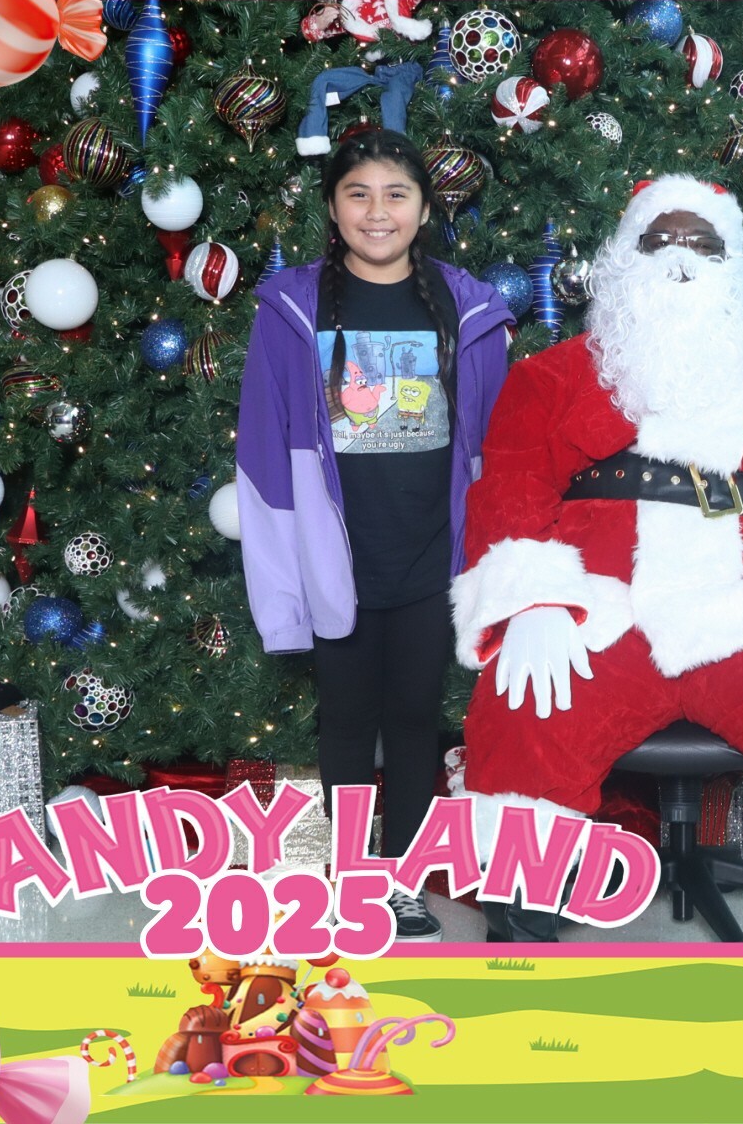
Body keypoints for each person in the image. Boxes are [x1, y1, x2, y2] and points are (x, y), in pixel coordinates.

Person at [451, 175, 743, 943]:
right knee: (522, 709)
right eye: (659, 240)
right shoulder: (552, 378)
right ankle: (518, 957)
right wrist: (532, 599)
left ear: (735, 269)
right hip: (606, 615)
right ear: (624, 260)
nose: (680, 259)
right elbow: (509, 489)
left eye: (703, 244)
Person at [237, 128, 515, 942]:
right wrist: (284, 585)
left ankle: (401, 883)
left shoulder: (468, 308)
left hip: (433, 555)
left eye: (397, 194)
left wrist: (494, 567)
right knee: (349, 723)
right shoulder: (292, 310)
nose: (377, 211)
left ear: (424, 210)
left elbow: (498, 449)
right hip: (337, 559)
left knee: (416, 721)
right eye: (357, 194)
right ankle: (356, 879)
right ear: (332, 208)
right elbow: (264, 451)